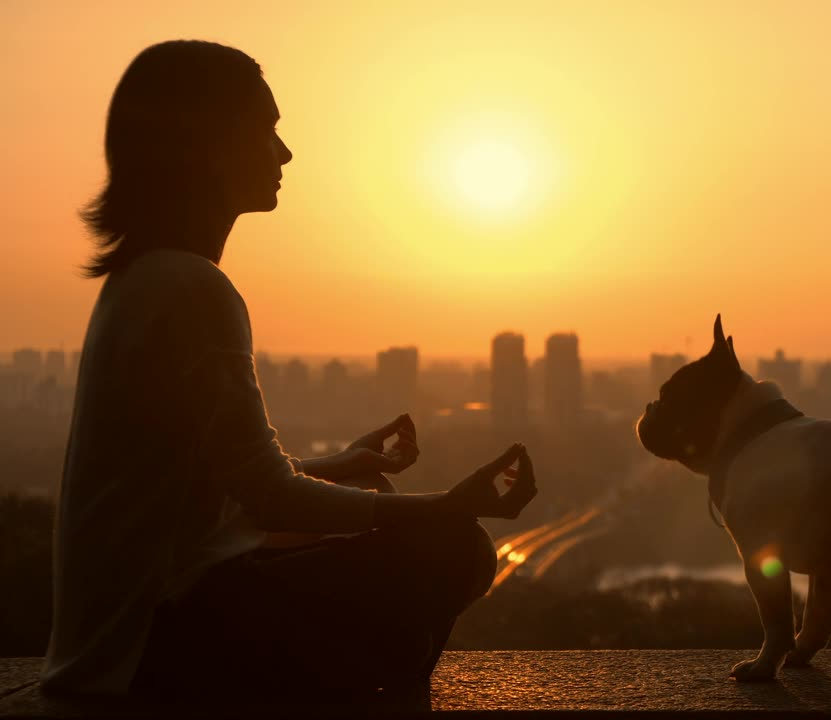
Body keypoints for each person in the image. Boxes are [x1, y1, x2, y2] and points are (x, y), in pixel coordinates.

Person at [40, 39, 539, 700]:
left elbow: (222, 481)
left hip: (130, 634)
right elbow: (268, 496)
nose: (284, 153)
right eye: (267, 129)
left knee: (393, 513)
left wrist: (341, 462)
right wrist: (448, 506)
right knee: (456, 549)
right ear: (209, 145)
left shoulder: (148, 278)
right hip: (153, 648)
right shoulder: (190, 287)